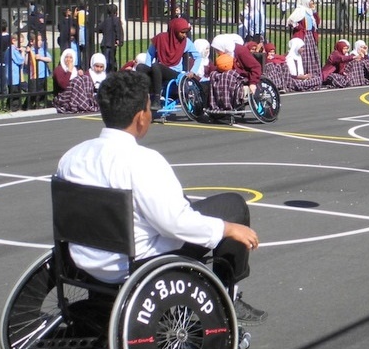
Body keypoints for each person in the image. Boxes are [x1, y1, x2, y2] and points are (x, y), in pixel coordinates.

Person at [55, 71, 266, 324]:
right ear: (140, 118)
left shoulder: (72, 156)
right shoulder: (143, 161)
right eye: (148, 107)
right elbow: (175, 224)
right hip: (133, 262)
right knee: (233, 207)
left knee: (182, 204)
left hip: (86, 258)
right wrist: (227, 228)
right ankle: (228, 297)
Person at [137, 18, 203, 110]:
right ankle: (141, 97)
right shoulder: (160, 38)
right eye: (182, 32)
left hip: (174, 73)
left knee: (157, 66)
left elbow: (198, 57)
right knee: (140, 67)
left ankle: (157, 100)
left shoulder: (186, 42)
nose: (184, 35)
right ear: (174, 31)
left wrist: (193, 71)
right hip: (158, 71)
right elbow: (150, 53)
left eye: (185, 33)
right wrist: (148, 70)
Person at [286, 0, 322, 77]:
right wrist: (299, 27)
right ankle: (302, 73)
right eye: (311, 1)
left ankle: (312, 73)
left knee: (312, 54)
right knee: (304, 54)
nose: (312, 3)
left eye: (313, 1)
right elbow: (291, 21)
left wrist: (315, 12)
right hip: (303, 35)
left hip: (310, 35)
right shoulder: (299, 10)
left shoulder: (310, 12)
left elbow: (317, 22)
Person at [53, 48, 98, 114]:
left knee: (86, 78)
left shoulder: (74, 69)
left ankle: (88, 103)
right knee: (77, 80)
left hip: (73, 94)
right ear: (63, 58)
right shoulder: (59, 69)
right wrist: (69, 71)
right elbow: (63, 85)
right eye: (66, 57)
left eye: (71, 58)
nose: (68, 59)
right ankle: (75, 106)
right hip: (62, 96)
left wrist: (80, 73)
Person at [23, 32, 52, 110]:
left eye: (41, 40)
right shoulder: (30, 50)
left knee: (42, 91)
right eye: (38, 40)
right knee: (33, 92)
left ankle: (40, 104)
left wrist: (41, 58)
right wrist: (27, 53)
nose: (41, 42)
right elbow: (26, 62)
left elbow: (49, 59)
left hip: (43, 75)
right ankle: (27, 105)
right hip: (34, 76)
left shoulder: (43, 50)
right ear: (32, 42)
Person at [97, 4, 124, 72]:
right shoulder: (116, 20)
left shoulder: (106, 20)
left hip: (104, 44)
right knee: (112, 62)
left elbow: (98, 29)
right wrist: (119, 41)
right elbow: (119, 31)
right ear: (116, 12)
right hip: (111, 44)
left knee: (105, 61)